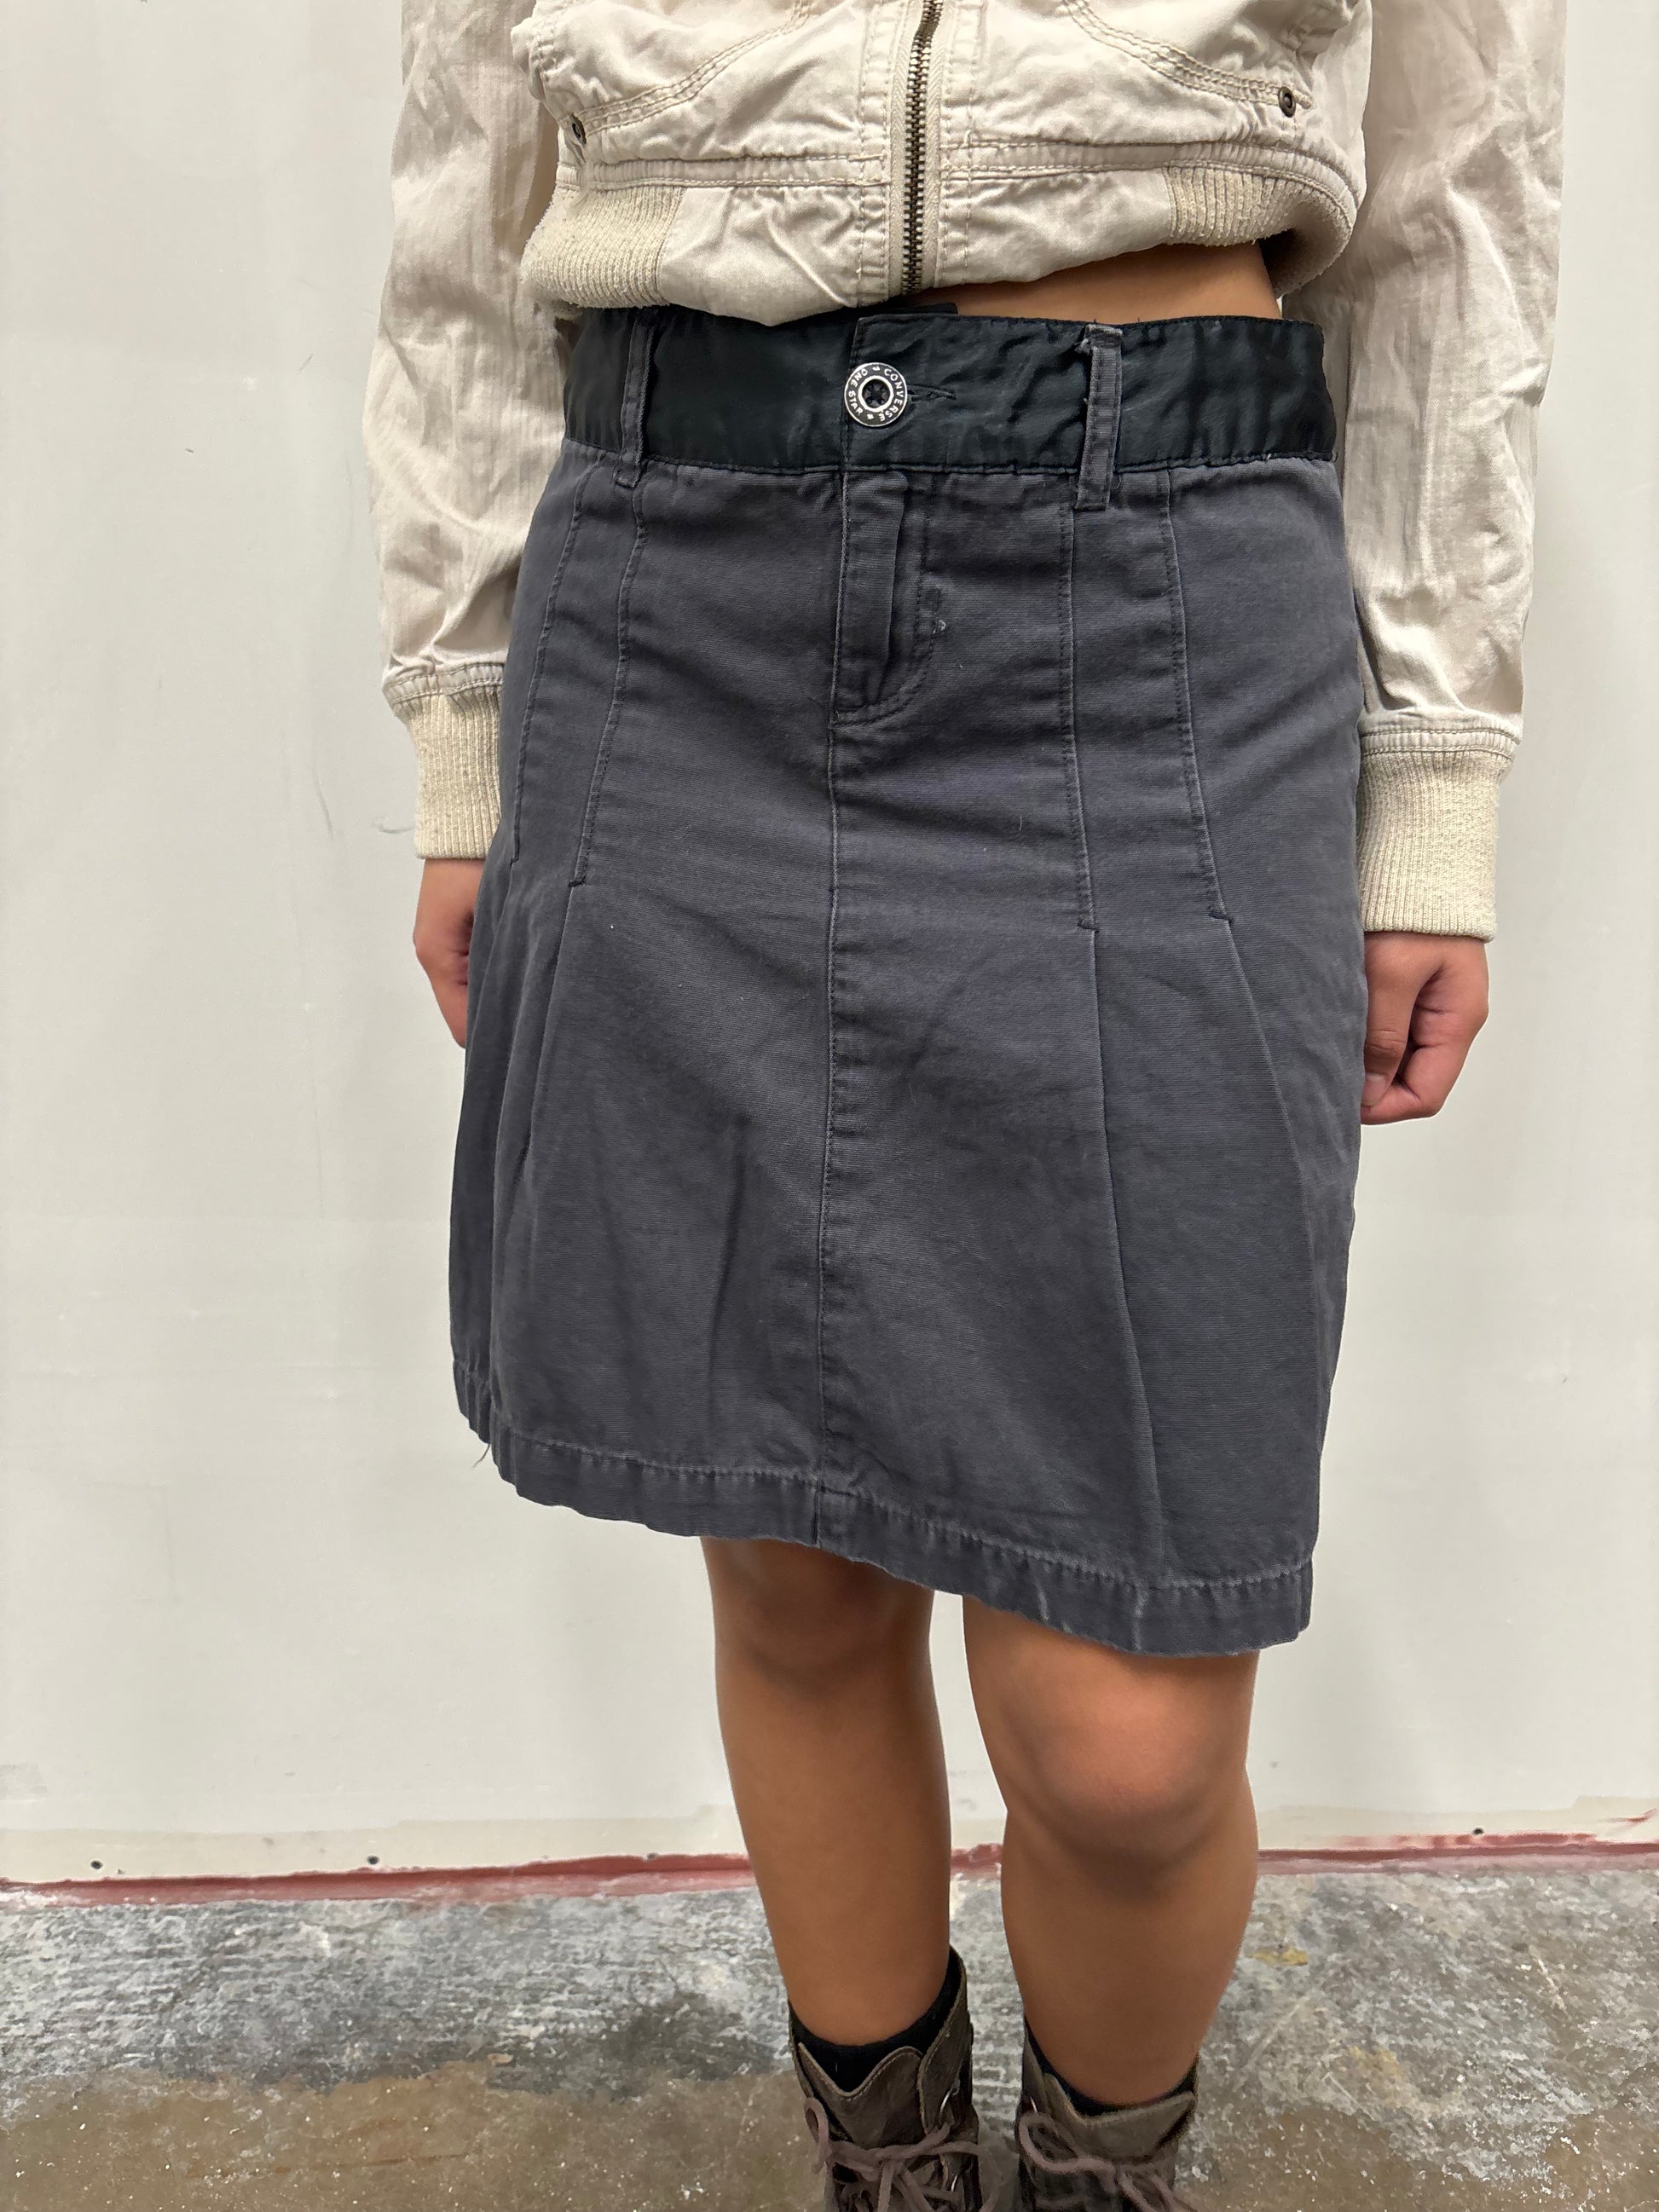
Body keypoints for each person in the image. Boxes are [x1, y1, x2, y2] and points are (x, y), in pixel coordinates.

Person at [361, 4, 1565, 2205]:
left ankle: (1104, 2180)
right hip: (680, 583)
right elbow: (469, 200)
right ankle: (887, 2167)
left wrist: (1432, 786)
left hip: (1164, 591)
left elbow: (1452, 213)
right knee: (794, 1556)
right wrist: (462, 728)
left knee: (1126, 1737)